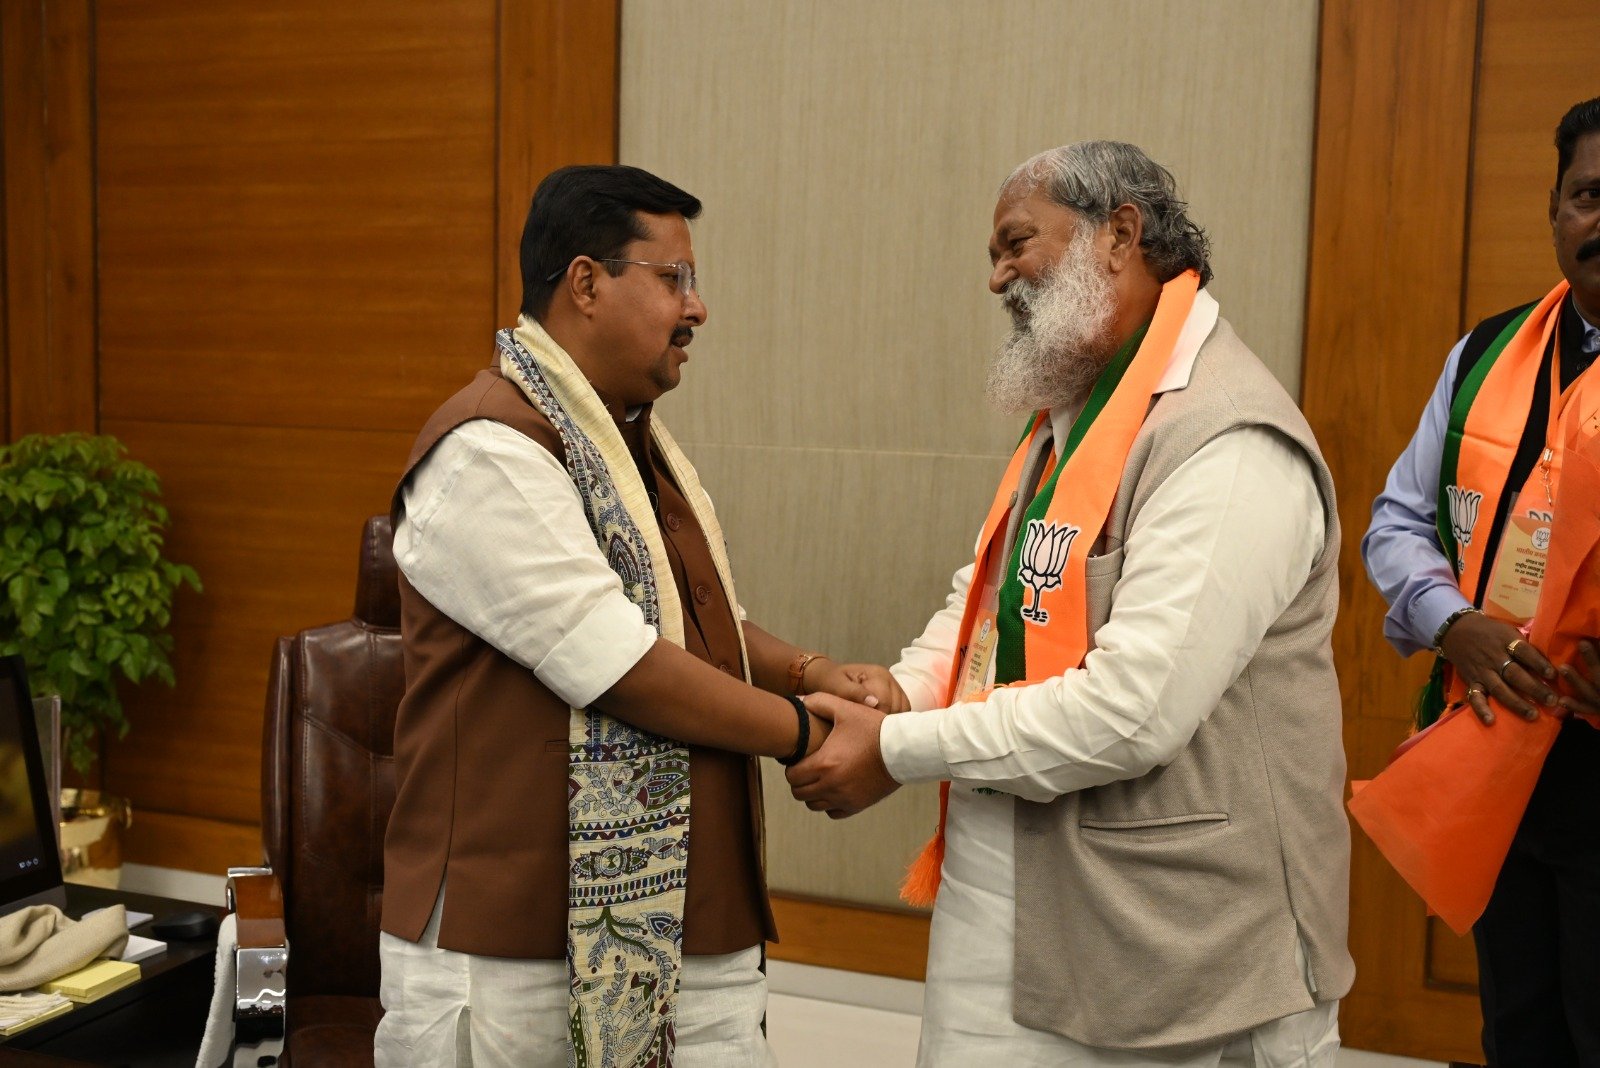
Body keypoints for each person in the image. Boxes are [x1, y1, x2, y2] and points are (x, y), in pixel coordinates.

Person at [786, 141, 1354, 1065]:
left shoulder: (1228, 439)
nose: (997, 279)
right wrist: (903, 691)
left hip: (1178, 944)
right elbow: (990, 605)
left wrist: (894, 747)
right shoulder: (1080, 412)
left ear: (1119, 236)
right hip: (1014, 893)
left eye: (1017, 245)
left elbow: (1134, 712)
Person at [374, 164, 903, 1067]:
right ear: (586, 283)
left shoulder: (628, 444)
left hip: (696, 928)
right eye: (673, 278)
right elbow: (619, 664)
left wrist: (812, 672)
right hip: (515, 952)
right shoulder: (489, 451)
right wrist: (808, 734)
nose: (698, 309)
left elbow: (702, 631)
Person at [1362, 97, 1600, 1066]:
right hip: (1495, 754)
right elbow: (1397, 521)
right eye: (1590, 195)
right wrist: (1450, 620)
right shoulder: (1485, 354)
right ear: (1554, 209)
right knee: (1518, 1030)